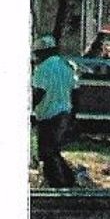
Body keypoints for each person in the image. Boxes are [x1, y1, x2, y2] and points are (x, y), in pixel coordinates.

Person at [31, 35, 78, 187]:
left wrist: (28, 109)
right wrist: (73, 117)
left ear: (43, 52)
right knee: (52, 149)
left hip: (48, 115)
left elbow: (38, 93)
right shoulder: (67, 66)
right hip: (65, 113)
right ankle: (68, 179)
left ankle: (57, 183)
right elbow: (75, 92)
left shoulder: (42, 69)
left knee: (46, 152)